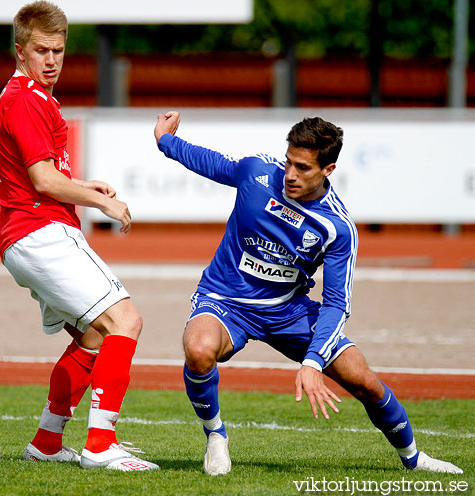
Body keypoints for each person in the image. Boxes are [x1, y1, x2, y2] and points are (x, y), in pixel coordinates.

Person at [153, 111, 463, 476]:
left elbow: (336, 303)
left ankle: (414, 457)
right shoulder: (256, 173)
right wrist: (165, 141)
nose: (290, 175)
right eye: (288, 162)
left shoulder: (337, 228)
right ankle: (215, 436)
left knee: (363, 382)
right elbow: (211, 163)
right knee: (199, 349)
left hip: (289, 311)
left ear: (328, 170)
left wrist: (313, 362)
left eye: (303, 168)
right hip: (226, 300)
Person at [0, 0, 158, 472]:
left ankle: (46, 441)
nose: (51, 60)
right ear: (19, 50)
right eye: (41, 50)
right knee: (125, 322)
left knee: (91, 336)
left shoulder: (32, 96)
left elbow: (35, 174)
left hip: (28, 235)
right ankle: (101, 444)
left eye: (58, 51)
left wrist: (83, 186)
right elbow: (42, 182)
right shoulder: (25, 98)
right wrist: (102, 203)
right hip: (40, 231)